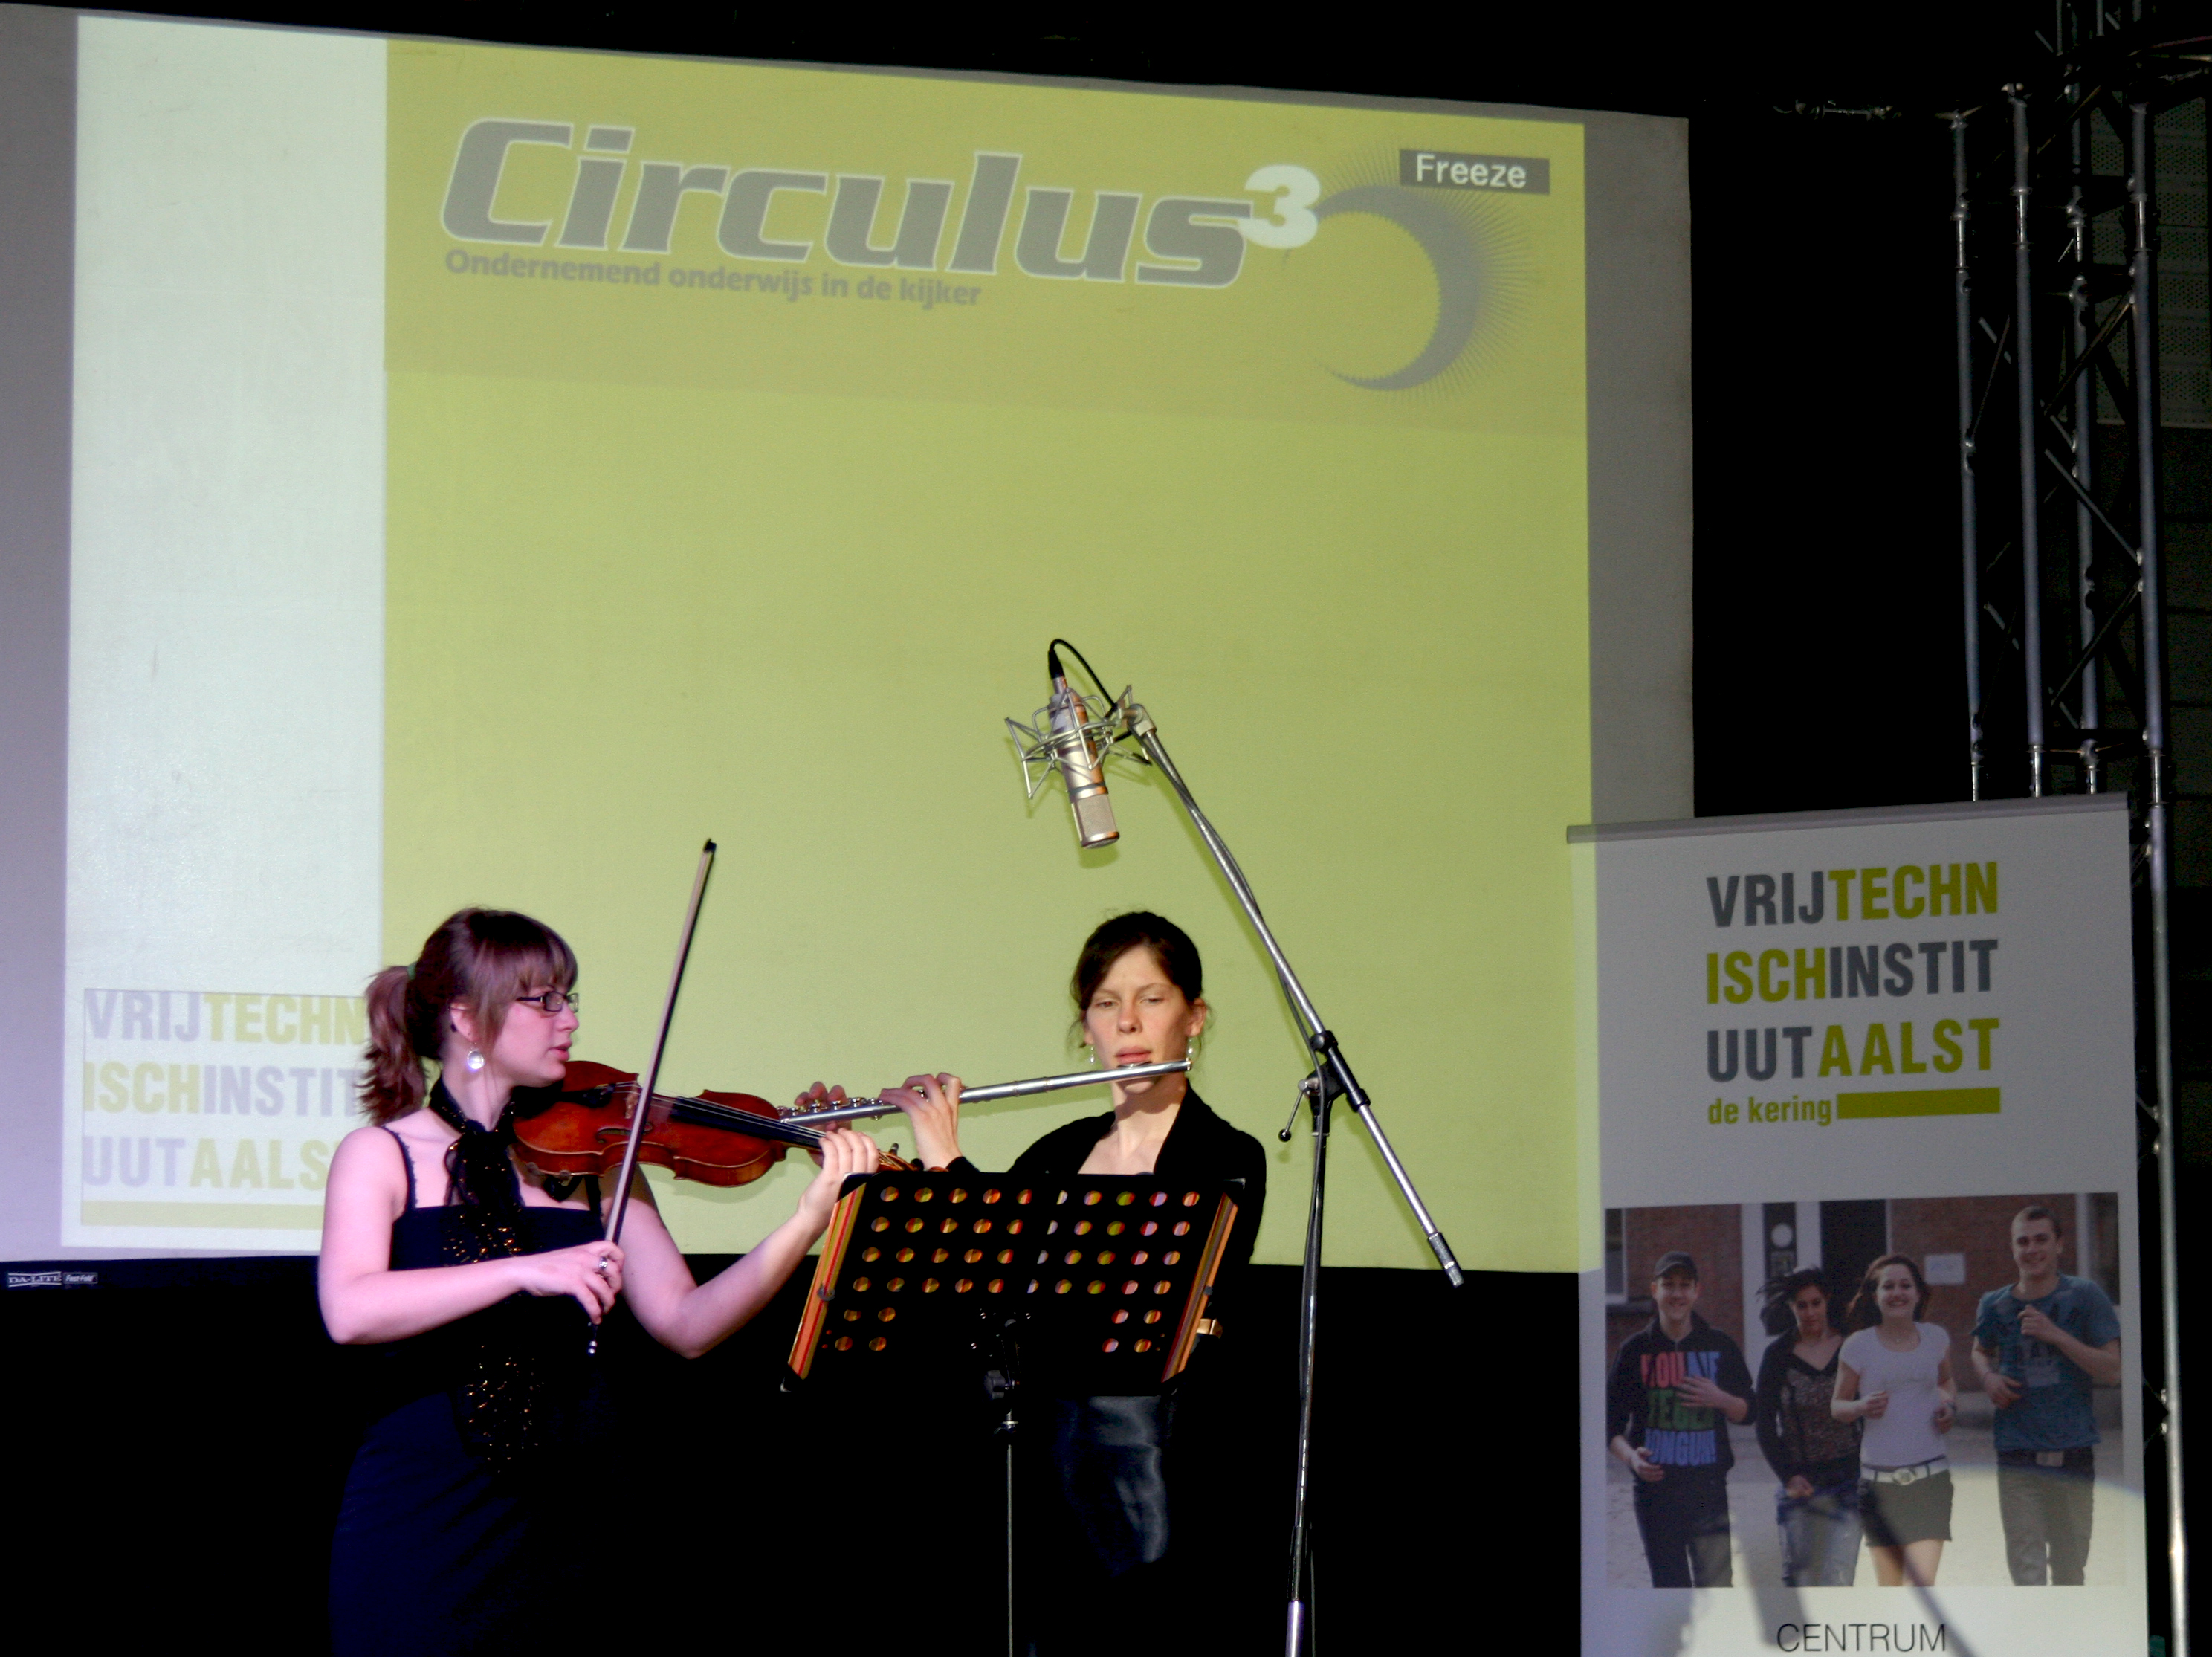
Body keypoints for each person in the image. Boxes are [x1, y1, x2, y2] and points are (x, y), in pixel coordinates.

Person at [319, 908, 878, 1656]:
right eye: (543, 1000)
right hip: (425, 1514)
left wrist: (808, 1220)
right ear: (466, 1017)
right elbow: (350, 1309)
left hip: (572, 1511)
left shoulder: (598, 1164)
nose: (570, 1021)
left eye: (569, 998)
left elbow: (688, 1324)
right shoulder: (382, 1154)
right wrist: (524, 1270)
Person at [798, 910, 1267, 1653]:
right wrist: (859, 1167)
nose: (1128, 1022)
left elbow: (1097, 1279)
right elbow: (980, 1278)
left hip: (1155, 1460)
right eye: (1106, 1003)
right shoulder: (1057, 1150)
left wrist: (949, 1162)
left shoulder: (1224, 1155)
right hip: (1037, 1456)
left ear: (1195, 1017)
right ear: (1087, 1029)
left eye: (1152, 998)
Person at [1970, 1203, 2122, 1586]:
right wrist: (1987, 1378)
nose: (2032, 1249)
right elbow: (1979, 1349)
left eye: (2041, 1240)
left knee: (2071, 1572)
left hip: (2073, 1454)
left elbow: (2112, 1370)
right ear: (2012, 1248)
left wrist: (2056, 1335)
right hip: (2017, 1455)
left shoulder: (2084, 1295)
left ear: (2060, 1245)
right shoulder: (1995, 1304)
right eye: (2023, 1242)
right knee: (2028, 1573)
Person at [1605, 1251, 1756, 1587]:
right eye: (1668, 1285)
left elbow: (1750, 1411)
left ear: (1696, 1291)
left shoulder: (1719, 1344)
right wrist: (1632, 1459)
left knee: (1717, 1589)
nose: (1677, 1294)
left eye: (1685, 1285)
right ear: (1654, 1290)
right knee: (1670, 1590)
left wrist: (1721, 1399)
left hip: (1708, 1491)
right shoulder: (1635, 1350)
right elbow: (1608, 1426)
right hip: (1655, 1495)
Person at [1833, 1254, 1957, 1588]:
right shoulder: (1858, 1345)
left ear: (1918, 1293)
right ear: (1875, 1296)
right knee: (1890, 1591)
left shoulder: (1936, 1338)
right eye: (1888, 1286)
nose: (1897, 1293)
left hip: (1931, 1480)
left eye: (1906, 1285)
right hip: (1879, 1486)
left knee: (1922, 1588)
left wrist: (1949, 1406)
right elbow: (1838, 1406)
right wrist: (1861, 1406)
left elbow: (1946, 1383)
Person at [1753, 1267, 1862, 1585]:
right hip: (1802, 1483)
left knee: (1838, 1579)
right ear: (1791, 1307)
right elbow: (1764, 1423)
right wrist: (1787, 1475)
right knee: (1800, 1581)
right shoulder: (1777, 1356)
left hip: (1849, 1481)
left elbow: (1871, 1410)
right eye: (1802, 1305)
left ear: (1827, 1301)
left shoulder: (1851, 1347)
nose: (1811, 1312)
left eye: (1816, 1303)